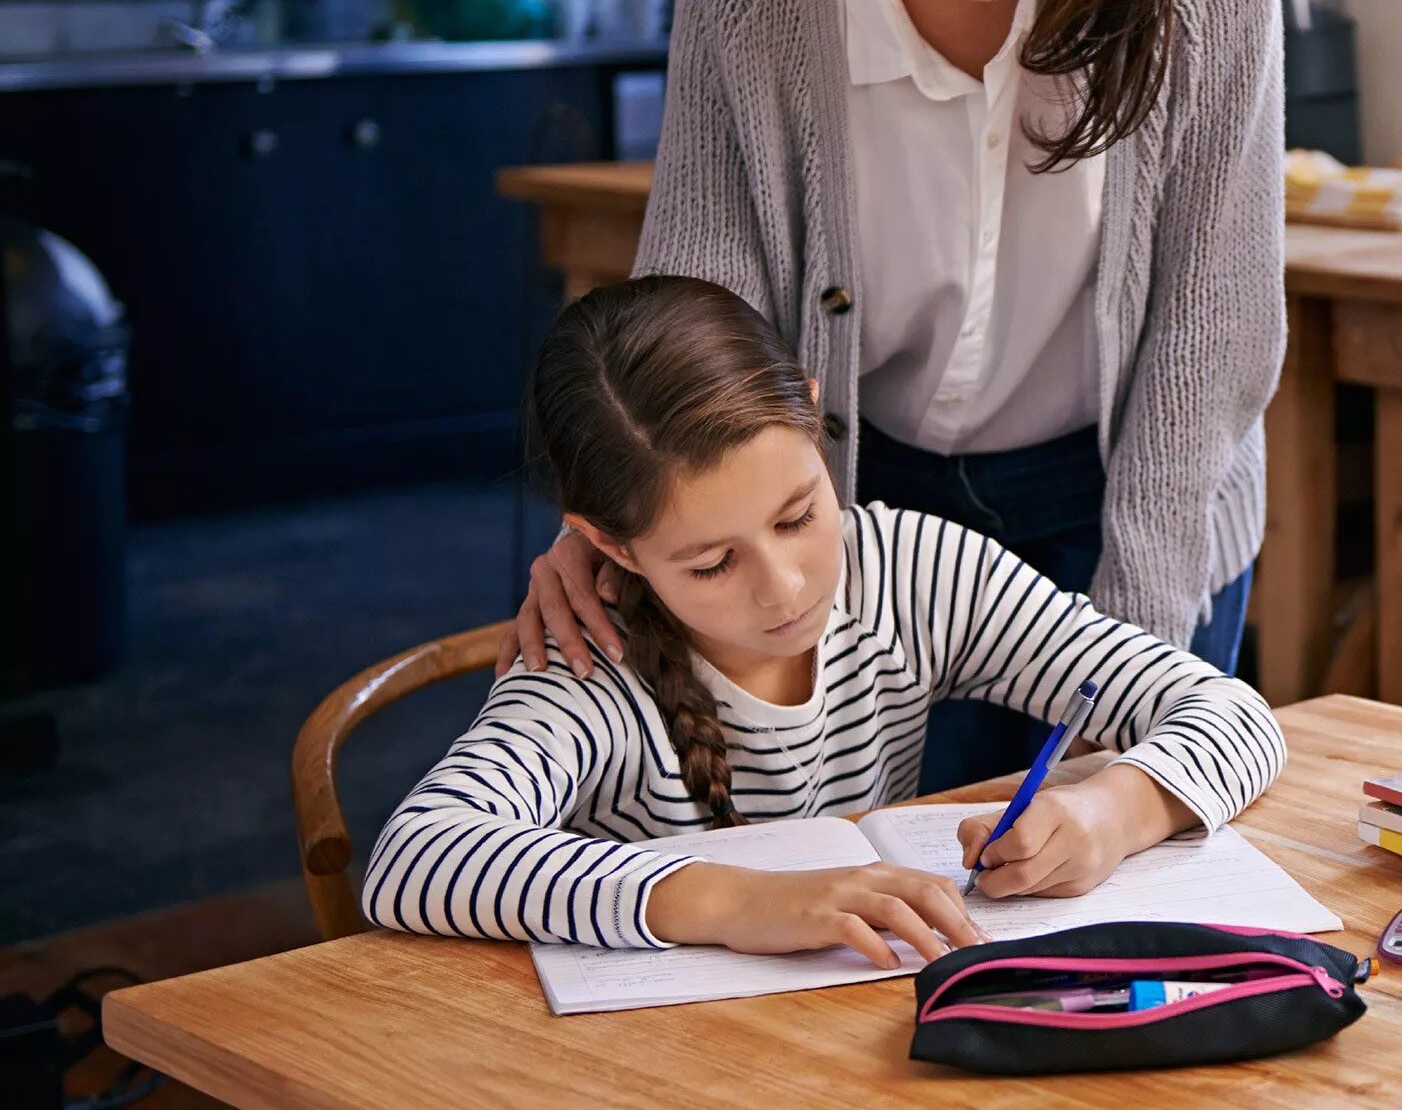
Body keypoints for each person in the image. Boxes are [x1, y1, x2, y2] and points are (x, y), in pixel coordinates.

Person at [503, 0, 1286, 792]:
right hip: (852, 512)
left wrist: (1127, 662)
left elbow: (1212, 317)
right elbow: (700, 293)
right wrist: (627, 498)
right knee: (877, 915)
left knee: (1105, 911)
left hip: (1137, 492)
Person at [368, 276, 1285, 963]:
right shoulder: (588, 656)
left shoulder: (914, 573)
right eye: (712, 562)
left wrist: (1111, 811)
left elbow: (1233, 714)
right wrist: (731, 902)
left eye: (800, 515)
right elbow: (414, 858)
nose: (784, 588)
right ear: (607, 545)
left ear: (813, 415)